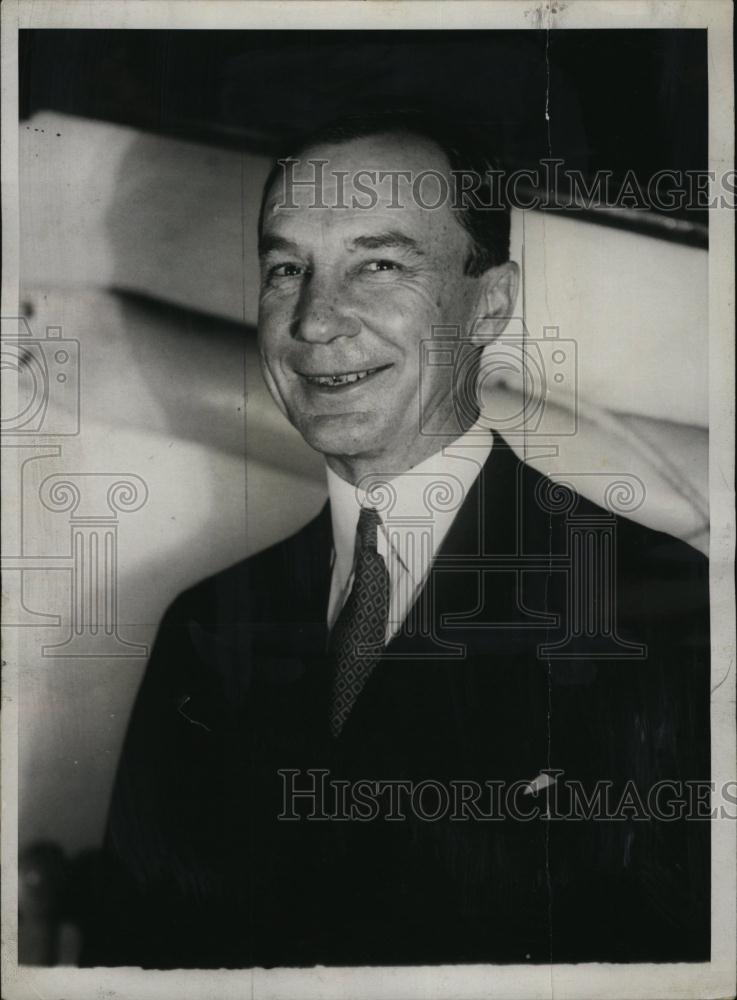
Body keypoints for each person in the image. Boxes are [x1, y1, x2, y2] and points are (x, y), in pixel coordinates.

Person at [82, 110, 710, 968]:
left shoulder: (652, 601)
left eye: (377, 264)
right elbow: (130, 960)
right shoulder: (205, 625)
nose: (313, 321)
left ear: (489, 303)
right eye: (285, 268)